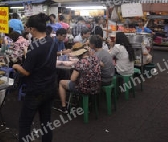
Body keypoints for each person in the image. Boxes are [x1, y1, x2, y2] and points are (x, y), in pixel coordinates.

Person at [12, 13, 57, 142]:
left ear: (33, 29)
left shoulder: (34, 46)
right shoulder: (51, 41)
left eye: (29, 29)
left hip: (36, 90)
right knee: (46, 122)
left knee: (25, 123)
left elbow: (26, 72)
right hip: (50, 87)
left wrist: (16, 66)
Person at [56, 42, 101, 113]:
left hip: (84, 88)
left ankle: (64, 107)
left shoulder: (80, 63)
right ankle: (86, 103)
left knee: (61, 82)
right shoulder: (95, 58)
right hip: (96, 86)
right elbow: (101, 64)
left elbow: (72, 79)